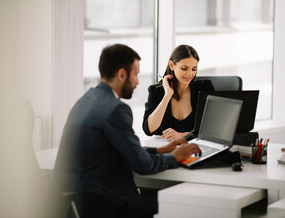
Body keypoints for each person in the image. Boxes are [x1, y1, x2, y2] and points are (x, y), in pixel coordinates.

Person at [50, 44, 201, 218]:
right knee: (182, 203)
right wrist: (175, 156)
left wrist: (159, 150)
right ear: (122, 75)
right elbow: (143, 165)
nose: (138, 81)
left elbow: (118, 150)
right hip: (102, 203)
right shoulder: (115, 109)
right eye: (136, 74)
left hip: (75, 201)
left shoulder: (87, 99)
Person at [142, 44, 214, 142]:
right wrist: (167, 96)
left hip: (196, 148)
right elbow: (148, 130)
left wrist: (184, 135)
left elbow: (214, 128)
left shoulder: (204, 87)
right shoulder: (156, 91)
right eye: (184, 68)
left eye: (194, 69)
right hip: (165, 149)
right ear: (171, 65)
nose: (189, 74)